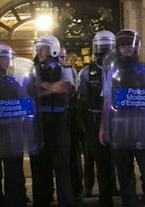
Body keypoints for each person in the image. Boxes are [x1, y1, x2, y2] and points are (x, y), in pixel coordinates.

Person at [99, 29, 145, 207]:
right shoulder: (111, 70)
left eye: (129, 44)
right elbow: (107, 99)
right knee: (125, 178)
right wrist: (103, 127)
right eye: (122, 45)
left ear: (136, 46)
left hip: (144, 129)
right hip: (120, 129)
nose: (126, 48)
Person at [0, 44, 33, 207]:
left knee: (11, 172)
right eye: (6, 58)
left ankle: (7, 199)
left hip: (6, 132)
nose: (10, 61)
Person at [30, 34, 76, 207]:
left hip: (59, 121)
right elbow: (30, 92)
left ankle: (66, 201)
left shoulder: (65, 70)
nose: (39, 52)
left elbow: (65, 88)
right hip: (39, 121)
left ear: (53, 50)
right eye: (39, 49)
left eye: (42, 49)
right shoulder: (32, 69)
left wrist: (42, 86)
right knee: (39, 164)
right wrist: (53, 88)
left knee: (62, 164)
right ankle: (41, 200)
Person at [79, 30, 117, 206]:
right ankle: (104, 197)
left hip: (117, 120)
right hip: (95, 120)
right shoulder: (88, 72)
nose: (103, 51)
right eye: (100, 47)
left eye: (107, 46)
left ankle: (116, 189)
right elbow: (84, 96)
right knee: (100, 160)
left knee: (118, 159)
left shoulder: (119, 69)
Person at [59, 47, 84, 201]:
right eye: (59, 56)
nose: (61, 59)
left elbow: (75, 90)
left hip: (72, 116)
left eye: (63, 56)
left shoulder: (71, 71)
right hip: (59, 118)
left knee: (74, 155)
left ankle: (77, 189)